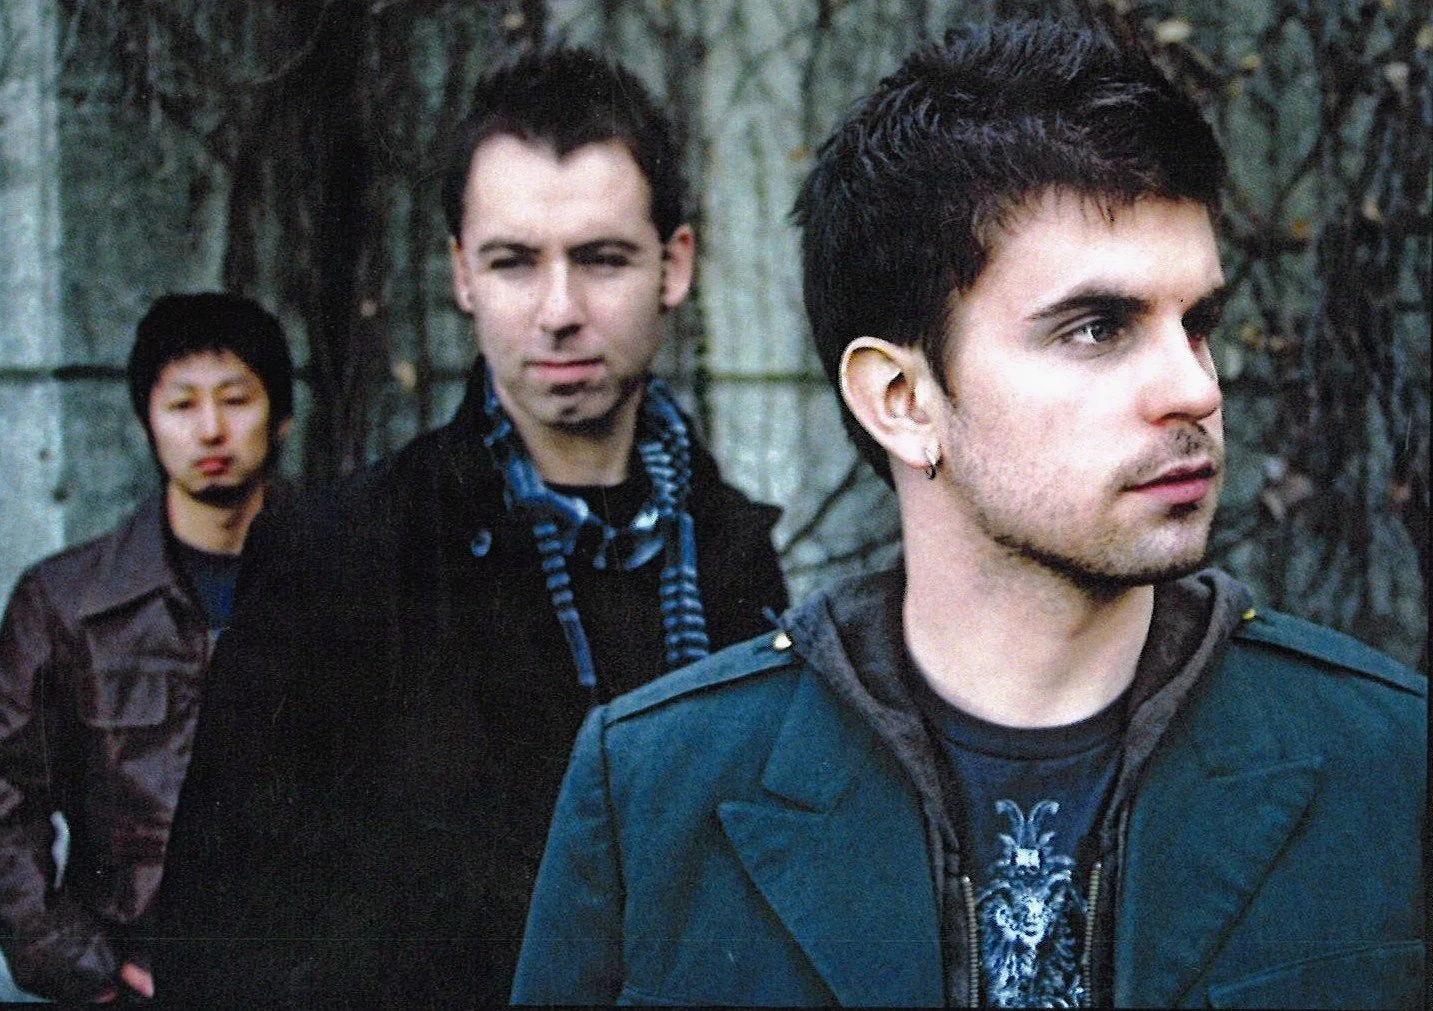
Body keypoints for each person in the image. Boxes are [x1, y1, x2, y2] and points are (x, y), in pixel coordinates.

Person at [513, 19, 1425, 1008]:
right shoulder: (657, 792)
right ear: (901, 402)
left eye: (1194, 322)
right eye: (1096, 328)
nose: (1193, 388)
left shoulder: (1382, 760)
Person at [149, 47, 787, 1004]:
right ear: (461, 274)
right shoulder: (342, 553)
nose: (560, 311)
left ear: (675, 264)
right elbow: (219, 936)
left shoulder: (730, 550)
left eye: (602, 258)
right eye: (515, 261)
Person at [0, 293, 294, 1002]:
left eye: (235, 399)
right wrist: (81, 966)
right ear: (147, 421)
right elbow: (6, 793)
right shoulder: (67, 602)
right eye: (182, 404)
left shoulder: (345, 578)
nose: (212, 429)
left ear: (279, 415)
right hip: (137, 974)